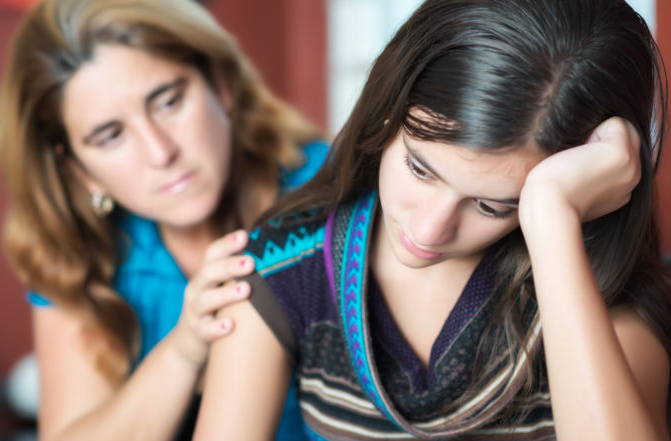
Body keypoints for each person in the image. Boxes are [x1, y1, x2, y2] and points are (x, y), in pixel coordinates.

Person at [193, 0, 671, 439]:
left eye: (493, 205)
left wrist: (550, 216)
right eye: (420, 169)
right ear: (387, 109)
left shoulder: (599, 288)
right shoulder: (286, 264)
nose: (427, 230)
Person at [0, 0, 328, 439]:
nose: (160, 152)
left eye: (169, 101)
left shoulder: (335, 193)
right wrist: (182, 351)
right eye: (111, 136)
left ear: (220, 84)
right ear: (79, 170)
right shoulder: (77, 251)